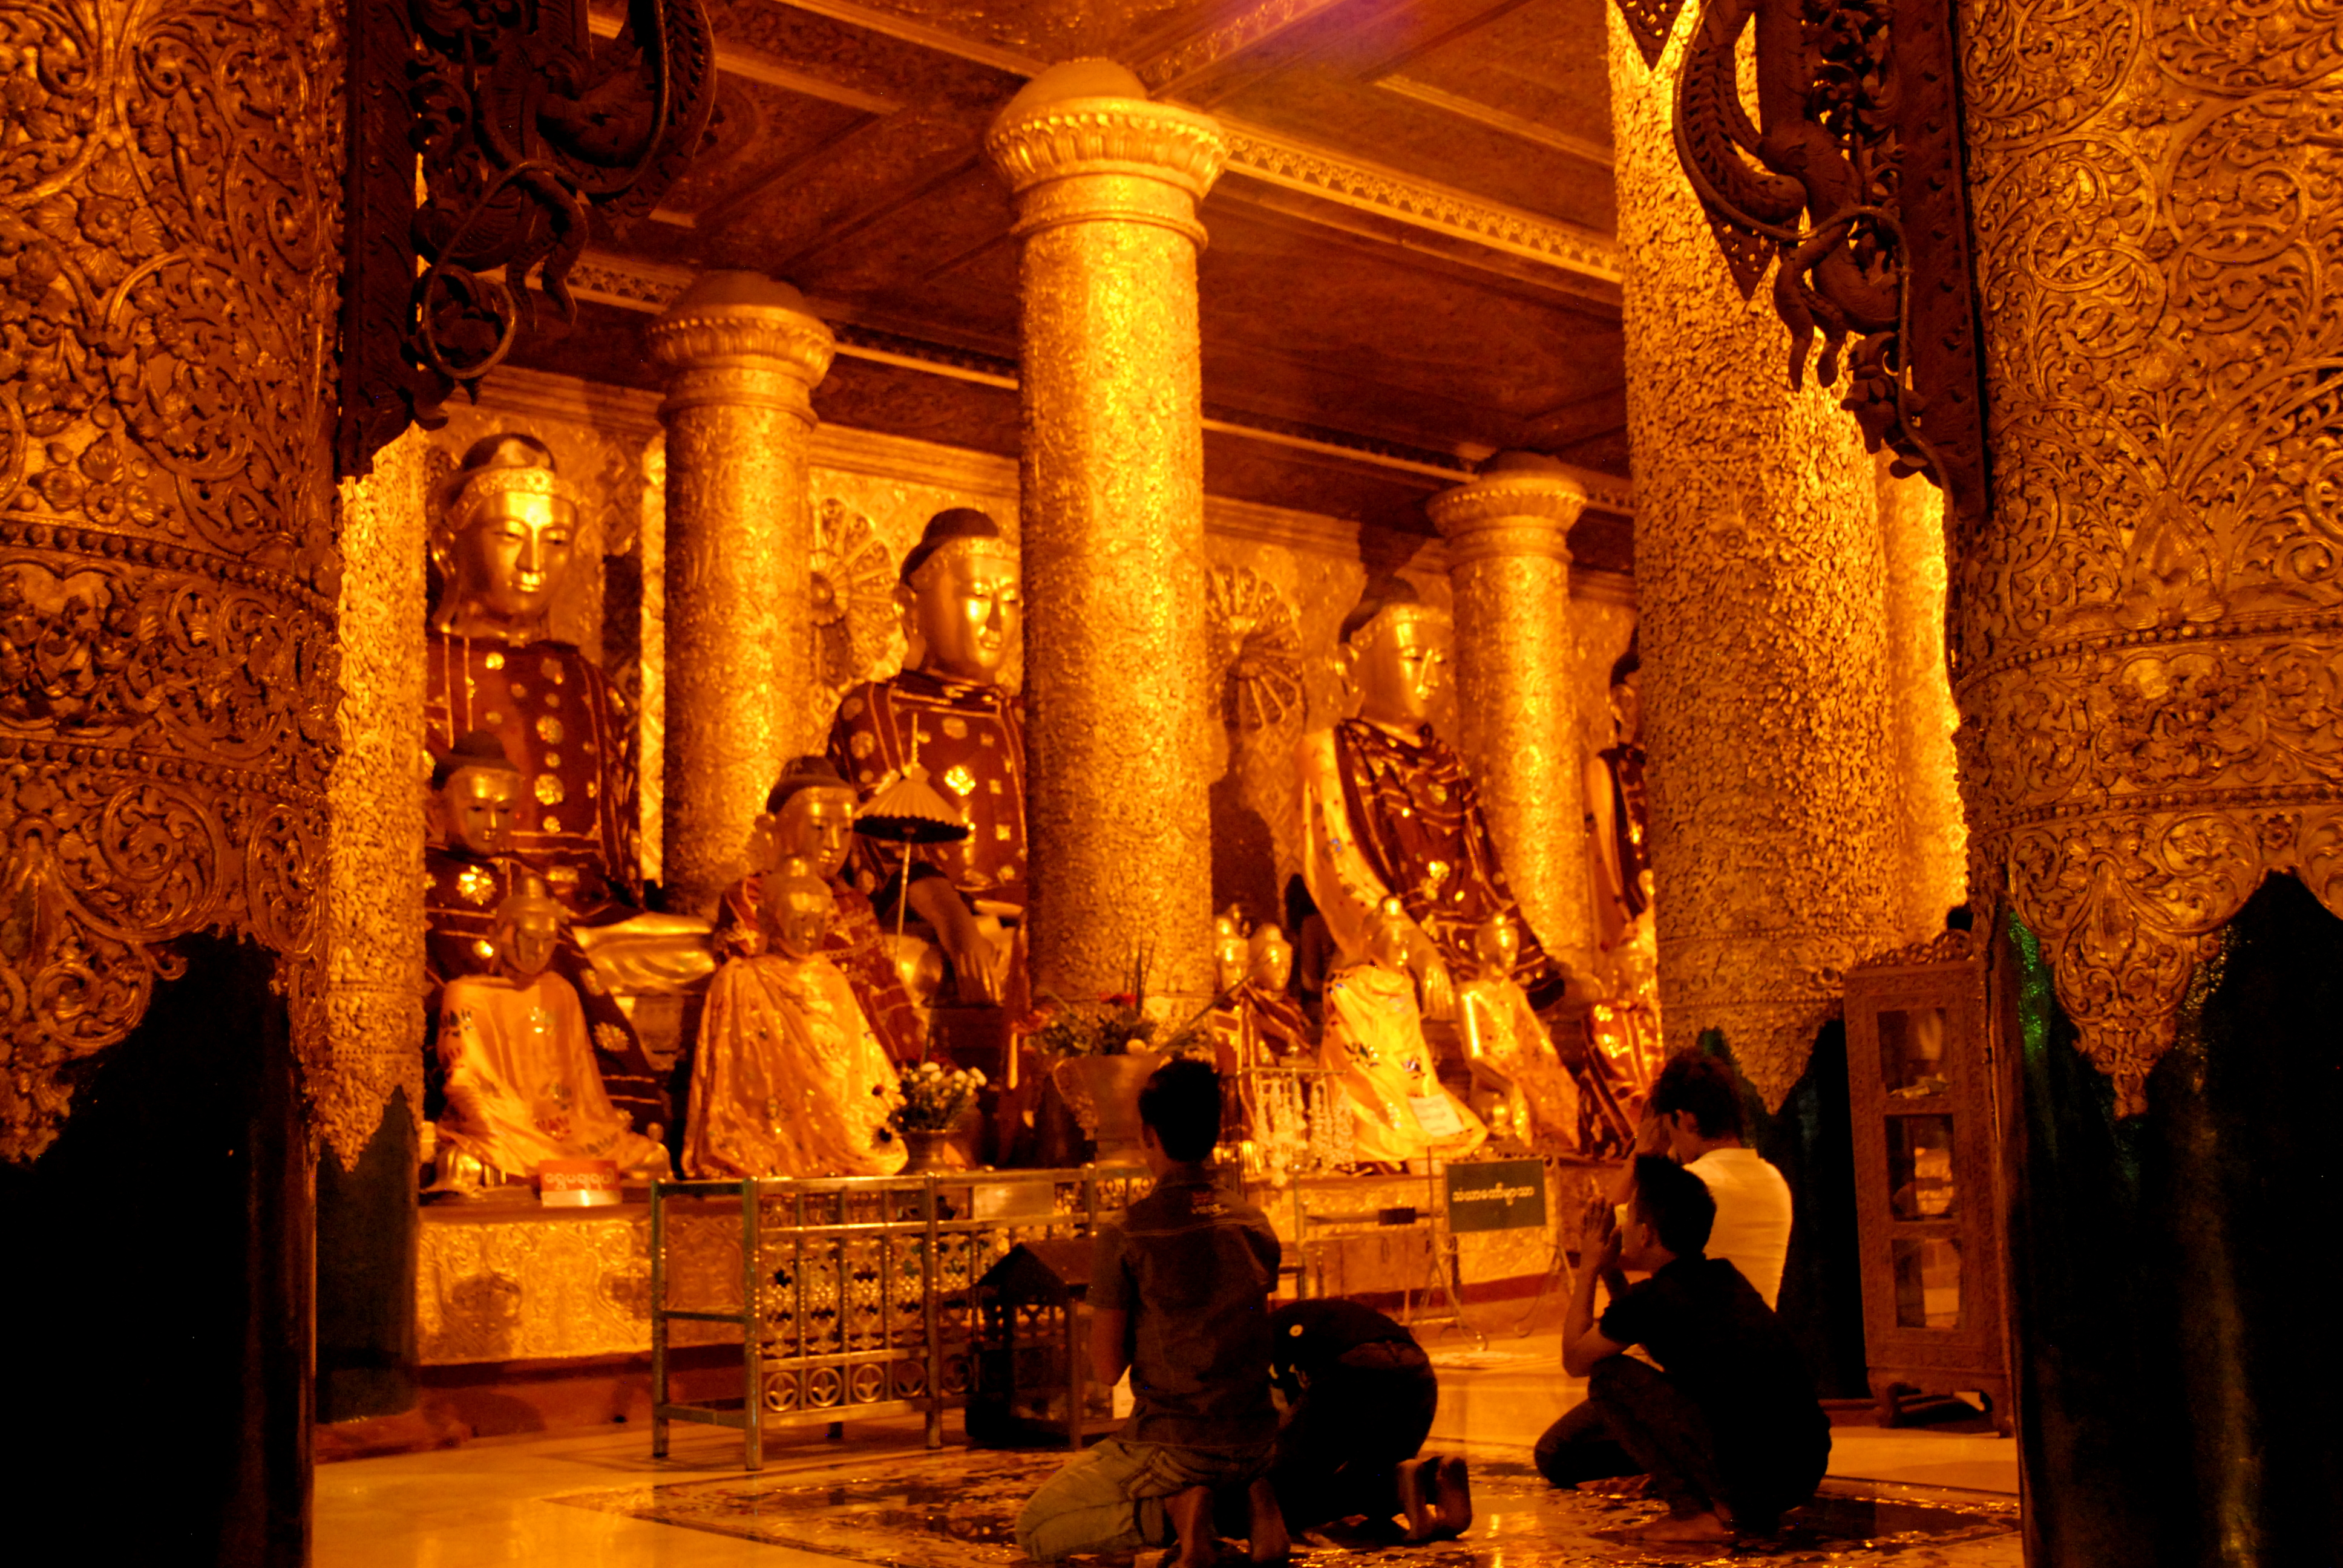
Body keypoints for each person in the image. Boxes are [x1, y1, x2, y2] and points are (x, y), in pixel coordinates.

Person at [1015, 1060, 1288, 1568]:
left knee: (1035, 1528)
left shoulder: (1128, 1232)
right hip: (1256, 1435)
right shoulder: (1253, 1222)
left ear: (1147, 1134)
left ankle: (1177, 1515)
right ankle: (1249, 1508)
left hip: (1174, 1440)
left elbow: (1105, 1368)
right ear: (1216, 1130)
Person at [1546, 1158, 1829, 1543]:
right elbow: (1646, 1331)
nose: (1623, 1229)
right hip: (1802, 1469)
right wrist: (1611, 1271)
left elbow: (1575, 1361)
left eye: (1630, 1222)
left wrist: (1589, 1267)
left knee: (1609, 1378)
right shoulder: (1723, 1276)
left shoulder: (1656, 1299)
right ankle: (1711, 1493)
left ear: (1645, 1234)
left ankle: (1693, 1511)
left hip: (1754, 1477)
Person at [1257, 1298, 1469, 1543]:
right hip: (1416, 1370)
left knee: (1290, 1486)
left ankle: (1405, 1485)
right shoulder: (1312, 1315)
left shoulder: (1258, 1343)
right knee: (1374, 1472)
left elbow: (1281, 1420)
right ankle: (1430, 1476)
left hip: (1353, 1366)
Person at [1627, 1051, 1794, 1308]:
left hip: (1701, 1345)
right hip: (1759, 1341)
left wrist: (1640, 1154)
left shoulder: (1691, 1185)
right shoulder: (1775, 1180)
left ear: (1686, 1119)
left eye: (1669, 1129)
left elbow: (1600, 1233)